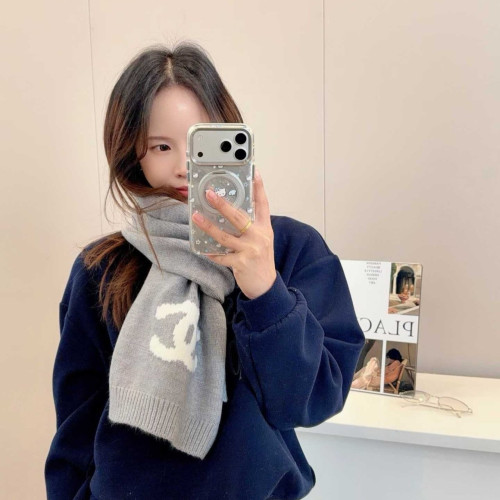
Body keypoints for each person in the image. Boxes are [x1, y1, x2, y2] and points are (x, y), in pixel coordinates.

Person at [44, 42, 365, 500]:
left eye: (201, 143)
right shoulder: (103, 269)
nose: (183, 168)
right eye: (161, 146)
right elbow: (76, 428)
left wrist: (266, 291)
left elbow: (312, 400)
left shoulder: (291, 249)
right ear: (133, 153)